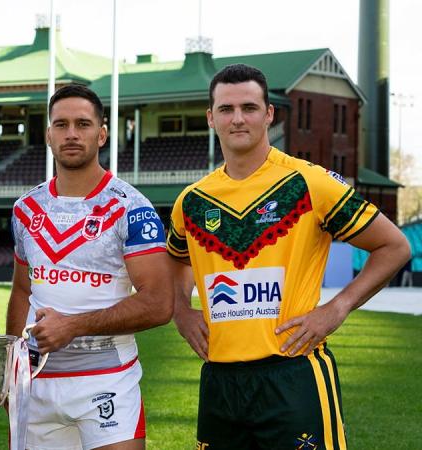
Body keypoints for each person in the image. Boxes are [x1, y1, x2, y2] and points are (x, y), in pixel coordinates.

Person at [167, 64, 411, 450]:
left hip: (294, 374)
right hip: (220, 379)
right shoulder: (192, 200)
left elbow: (394, 246)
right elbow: (179, 259)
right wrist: (181, 310)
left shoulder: (309, 182)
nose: (238, 118)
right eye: (226, 109)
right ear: (211, 117)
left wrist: (338, 307)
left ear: (269, 114)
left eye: (249, 107)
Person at [6, 84, 174, 450]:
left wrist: (74, 326)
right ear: (48, 134)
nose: (71, 134)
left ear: (101, 134)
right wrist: (11, 369)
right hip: (37, 381)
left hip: (107, 379)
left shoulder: (132, 207)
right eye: (61, 124)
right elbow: (22, 291)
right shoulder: (26, 209)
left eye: (82, 124)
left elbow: (160, 303)